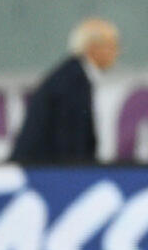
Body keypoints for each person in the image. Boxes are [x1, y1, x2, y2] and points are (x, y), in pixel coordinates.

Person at [10, 18, 119, 164]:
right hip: (39, 175)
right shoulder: (72, 83)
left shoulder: (73, 75)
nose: (116, 53)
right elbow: (70, 146)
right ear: (92, 48)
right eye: (111, 46)